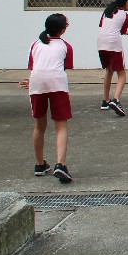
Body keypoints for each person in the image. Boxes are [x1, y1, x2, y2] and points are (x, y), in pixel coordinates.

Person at [21, 14, 74, 183]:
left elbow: (34, 67)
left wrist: (33, 82)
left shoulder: (36, 44)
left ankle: (39, 164)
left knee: (39, 126)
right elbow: (65, 67)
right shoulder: (65, 46)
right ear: (63, 30)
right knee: (61, 125)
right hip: (57, 83)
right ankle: (60, 165)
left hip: (36, 83)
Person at [97, 0, 128, 116]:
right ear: (126, 2)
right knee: (122, 74)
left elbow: (103, 25)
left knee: (109, 70)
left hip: (101, 43)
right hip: (114, 44)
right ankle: (116, 100)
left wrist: (124, 31)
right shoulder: (125, 15)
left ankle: (105, 101)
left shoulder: (107, 11)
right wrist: (126, 32)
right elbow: (121, 30)